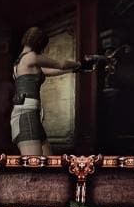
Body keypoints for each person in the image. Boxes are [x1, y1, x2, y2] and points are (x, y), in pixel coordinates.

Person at [11, 26, 93, 156]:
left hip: (30, 114)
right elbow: (61, 64)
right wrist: (79, 64)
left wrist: (74, 69)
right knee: (34, 163)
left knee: (49, 160)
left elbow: (50, 71)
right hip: (26, 116)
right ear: (40, 43)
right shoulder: (31, 57)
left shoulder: (19, 62)